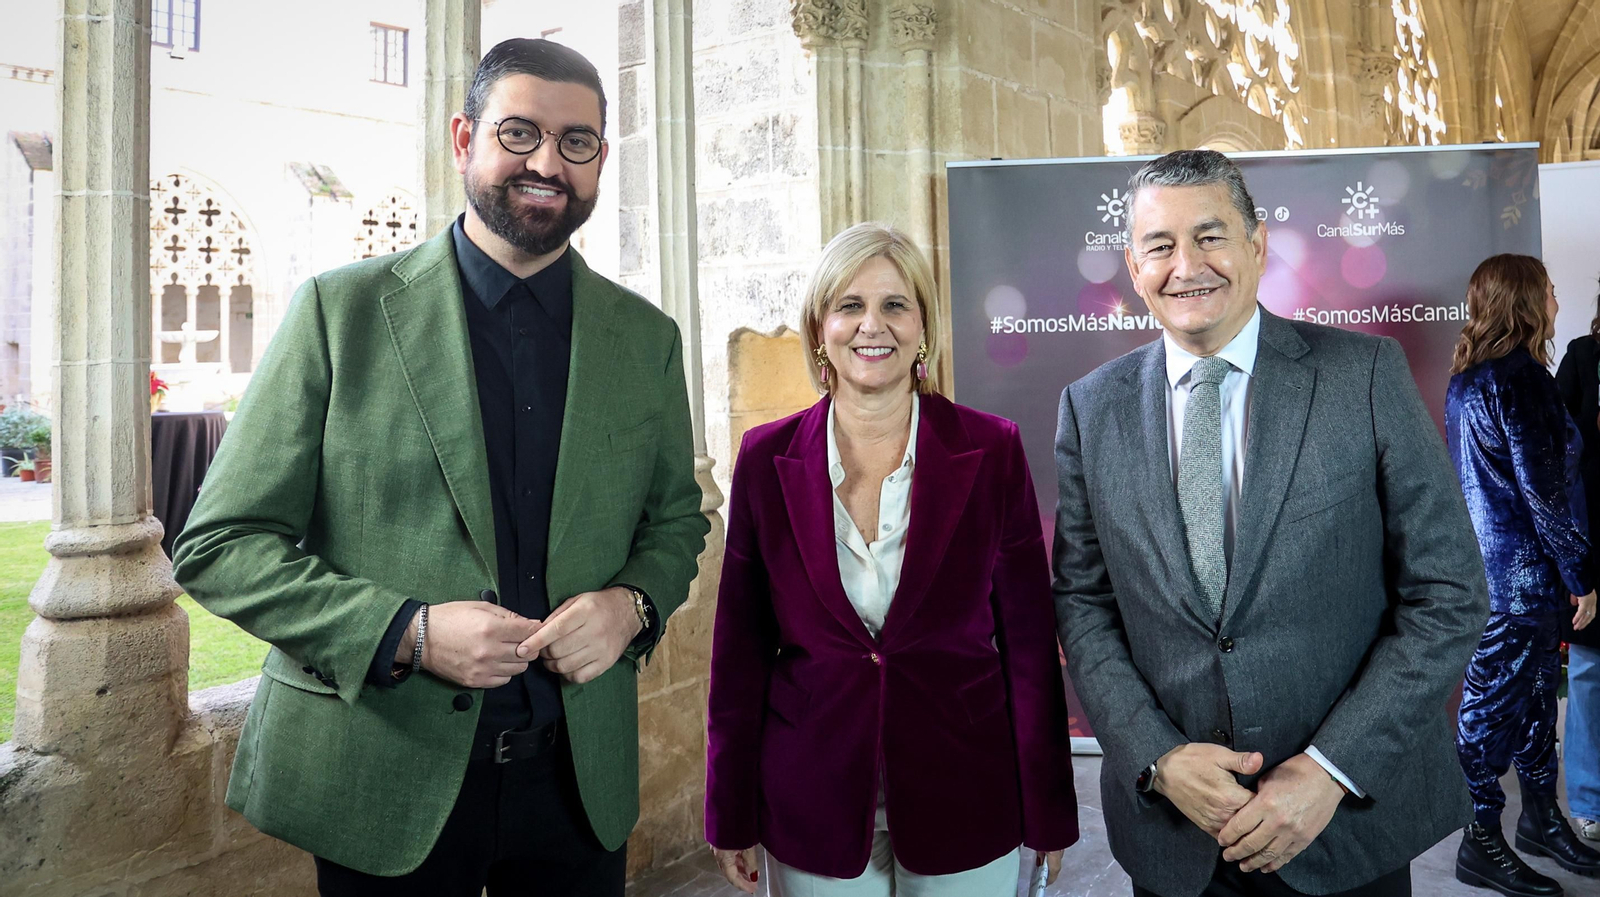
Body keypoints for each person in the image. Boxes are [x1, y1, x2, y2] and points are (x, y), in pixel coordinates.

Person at [172, 38, 708, 897]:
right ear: (464, 139)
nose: (546, 163)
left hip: (575, 785)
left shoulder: (645, 338)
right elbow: (219, 543)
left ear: (601, 160)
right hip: (387, 776)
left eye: (577, 143)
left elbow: (677, 519)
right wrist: (407, 632)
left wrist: (631, 604)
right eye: (519, 132)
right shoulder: (337, 313)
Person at [1053, 149, 1490, 897]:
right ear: (1134, 266)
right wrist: (1156, 755)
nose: (1186, 264)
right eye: (1160, 245)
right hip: (1176, 836)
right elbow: (1084, 605)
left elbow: (1449, 593)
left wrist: (1329, 770)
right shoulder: (1092, 408)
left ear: (1257, 244)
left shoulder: (1365, 377)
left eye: (1211, 235)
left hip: (1342, 827)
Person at [703, 223, 1078, 896]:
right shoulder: (765, 458)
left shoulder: (992, 451)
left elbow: (1028, 648)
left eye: (894, 305)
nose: (871, 325)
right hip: (811, 797)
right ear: (820, 327)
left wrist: (1049, 809)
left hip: (964, 791)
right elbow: (740, 654)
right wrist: (729, 812)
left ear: (923, 327)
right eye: (849, 305)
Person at [1448, 254, 1600, 895]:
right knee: (1490, 712)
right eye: (1551, 292)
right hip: (1519, 585)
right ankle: (1479, 840)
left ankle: (1541, 823)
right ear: (1528, 301)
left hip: (1505, 581)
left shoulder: (1472, 379)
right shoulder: (1522, 381)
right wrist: (1582, 577)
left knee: (1538, 704)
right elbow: (1544, 498)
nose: (1558, 303)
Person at [1556, 281, 1600, 846]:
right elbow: (1556, 455)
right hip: (1594, 537)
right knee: (1589, 676)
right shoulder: (1583, 356)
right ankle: (1589, 802)